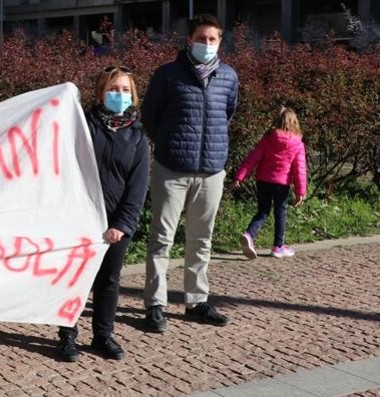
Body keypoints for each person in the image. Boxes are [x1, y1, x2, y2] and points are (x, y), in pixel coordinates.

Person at [140, 14, 238, 333]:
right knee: (161, 239)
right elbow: (150, 116)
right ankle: (155, 304)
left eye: (213, 39)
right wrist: (170, 145)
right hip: (172, 169)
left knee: (201, 239)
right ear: (189, 40)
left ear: (220, 41)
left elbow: (228, 113)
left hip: (211, 171)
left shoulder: (228, 76)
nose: (207, 44)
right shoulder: (168, 75)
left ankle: (196, 301)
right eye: (201, 38)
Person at [56, 66, 149, 362]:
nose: (118, 95)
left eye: (124, 90)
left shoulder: (138, 138)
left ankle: (103, 335)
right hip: (79, 219)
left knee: (109, 280)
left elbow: (138, 187)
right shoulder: (82, 126)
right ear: (100, 93)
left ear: (132, 96)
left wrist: (121, 225)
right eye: (112, 89)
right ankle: (67, 335)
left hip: (115, 224)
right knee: (74, 278)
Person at [233, 107, 307, 259]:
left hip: (263, 181)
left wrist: (239, 176)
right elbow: (300, 169)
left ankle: (249, 234)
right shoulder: (297, 143)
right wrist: (301, 191)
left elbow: (252, 158)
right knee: (280, 213)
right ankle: (278, 247)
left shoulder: (268, 138)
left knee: (263, 211)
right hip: (282, 184)